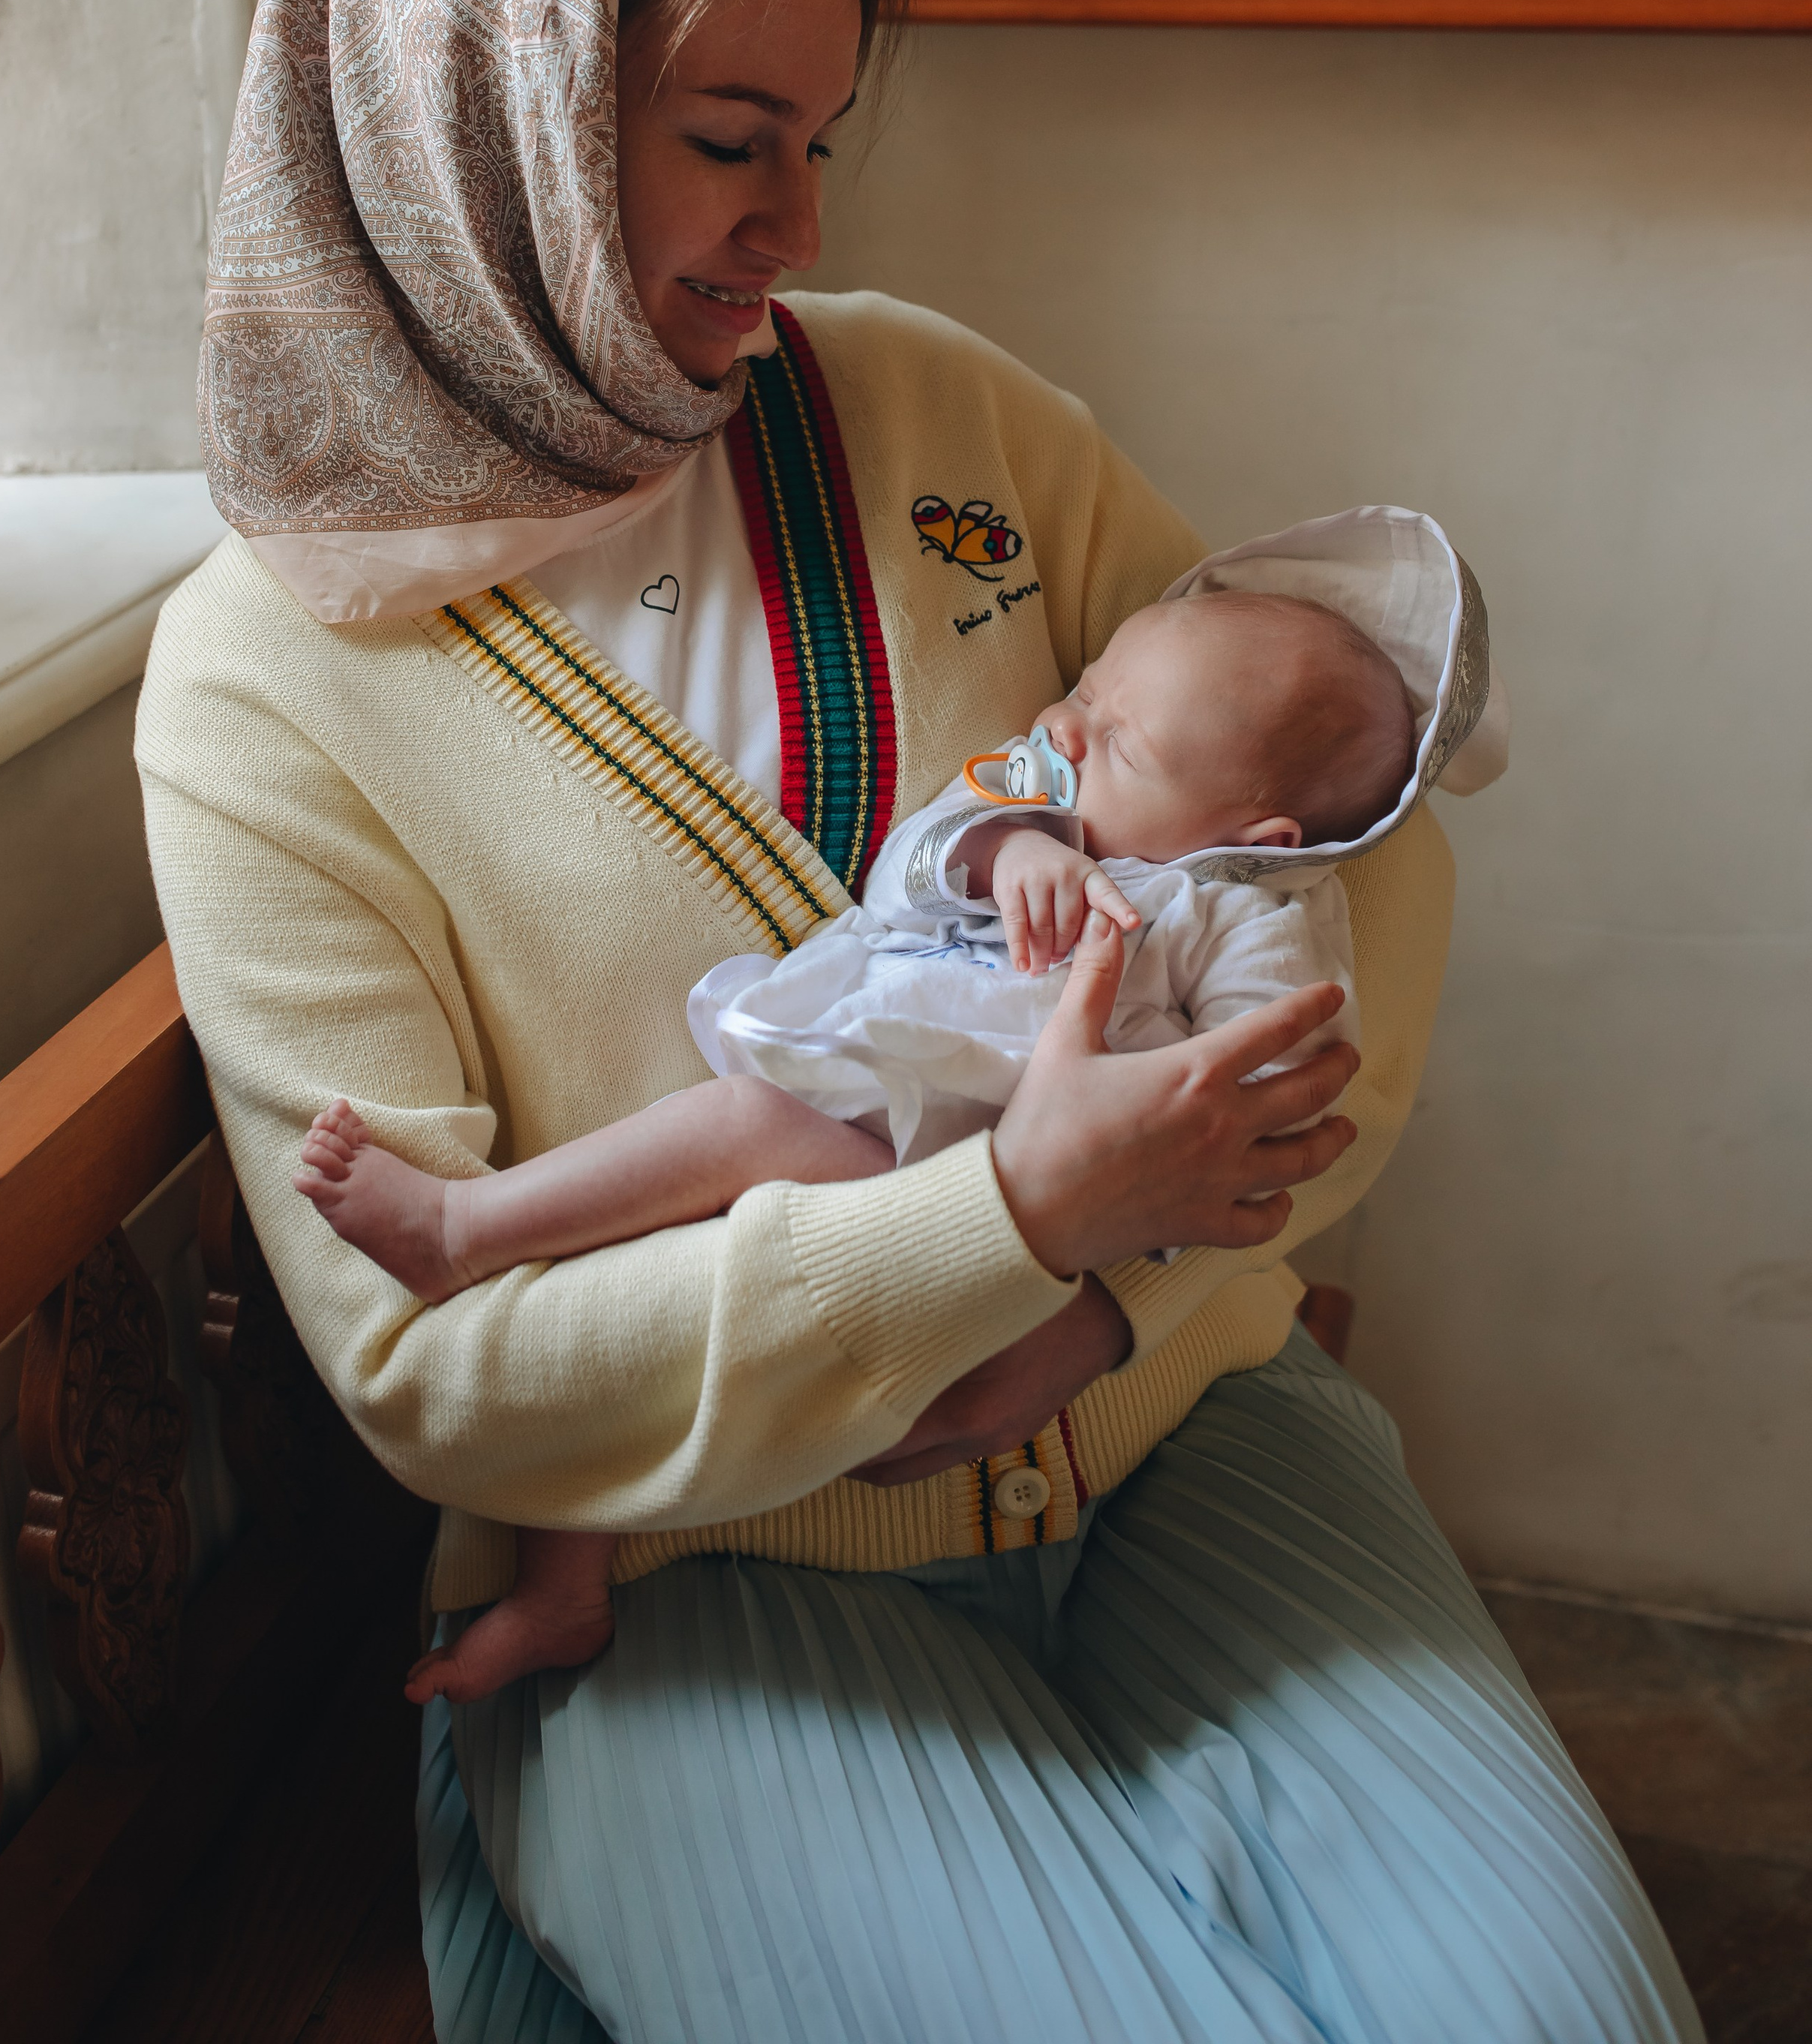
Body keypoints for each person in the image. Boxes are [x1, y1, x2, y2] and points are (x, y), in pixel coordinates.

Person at [140, 0, 1703, 2041]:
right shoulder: (268, 685)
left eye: (816, 141)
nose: (788, 224)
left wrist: (1107, 1311)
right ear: (471, 114)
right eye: (720, 137)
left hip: (1181, 1432)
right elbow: (431, 1361)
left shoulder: (938, 418)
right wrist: (1003, 1230)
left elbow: (1357, 840)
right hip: (693, 1565)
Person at [293, 522, 1502, 1712]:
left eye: (1117, 740)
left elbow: (1262, 1102)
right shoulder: (1039, 810)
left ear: (1262, 840)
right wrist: (1011, 846)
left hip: (954, 1181)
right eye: (1083, 689)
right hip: (902, 1130)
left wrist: (1113, 1244)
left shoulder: (1246, 922)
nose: (1060, 726)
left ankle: (463, 1228)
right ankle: (565, 1584)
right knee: (648, 1269)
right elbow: (913, 862)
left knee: (740, 1128)